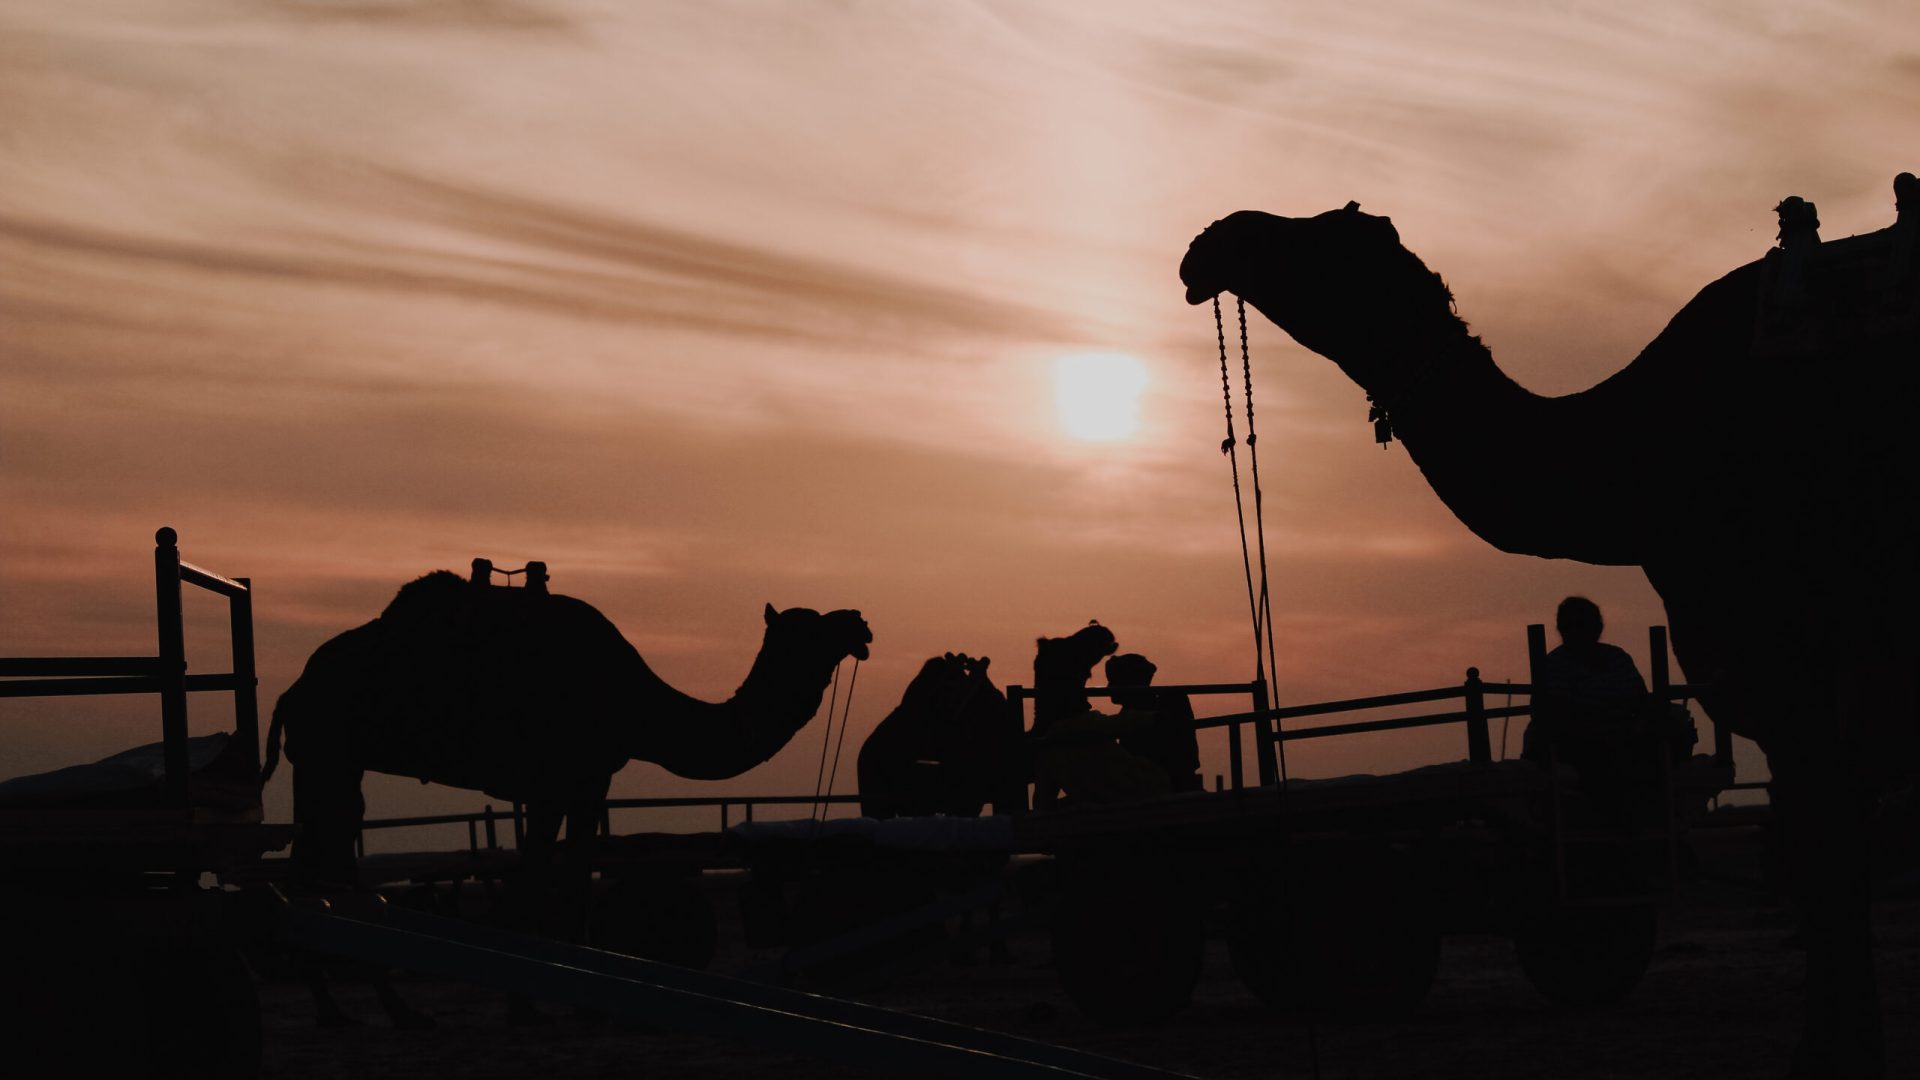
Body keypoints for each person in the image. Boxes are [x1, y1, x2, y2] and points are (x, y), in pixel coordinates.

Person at [1523, 596, 1658, 820]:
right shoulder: (1555, 665)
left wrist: (1635, 728)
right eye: (1571, 626)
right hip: (1577, 746)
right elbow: (1555, 716)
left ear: (1598, 627)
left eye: (1583, 625)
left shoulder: (1618, 659)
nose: (1577, 632)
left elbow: (1640, 702)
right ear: (1561, 629)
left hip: (1625, 738)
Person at [1105, 653, 1204, 794]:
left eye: (1114, 681)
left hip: (1163, 786)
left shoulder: (1168, 703)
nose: (1109, 687)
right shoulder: (1131, 713)